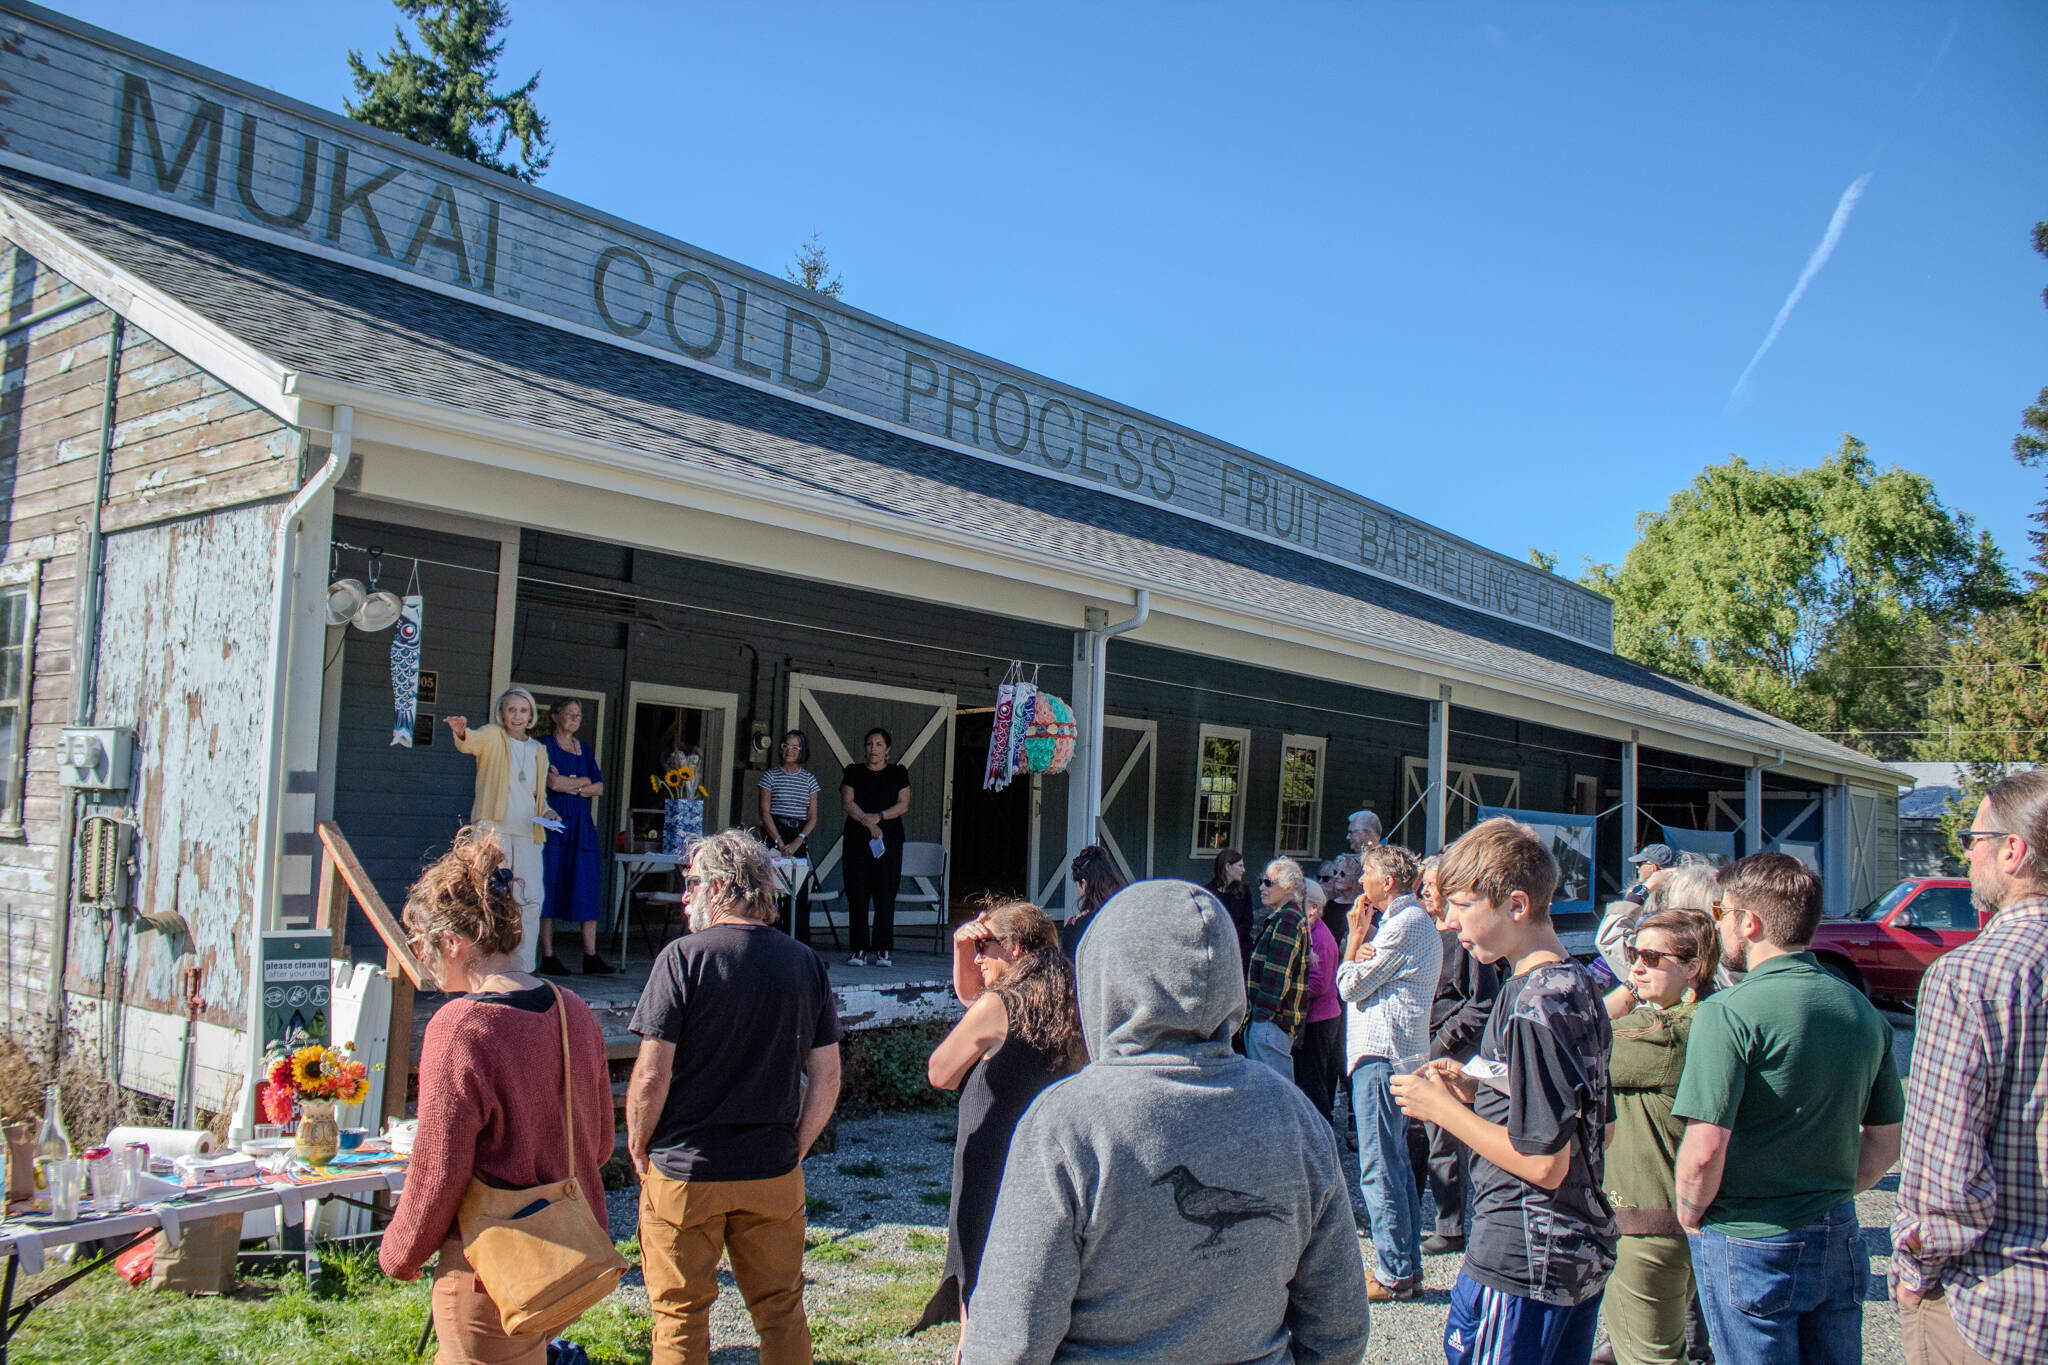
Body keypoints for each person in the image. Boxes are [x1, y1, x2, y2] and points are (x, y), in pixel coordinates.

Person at [959, 880, 1370, 1365]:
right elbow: (1339, 1326)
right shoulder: (1295, 1114)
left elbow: (1012, 1338)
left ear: (1104, 975)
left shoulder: (1066, 1122)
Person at [379, 828, 614, 1365]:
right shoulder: (572, 1008)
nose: (422, 961)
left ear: (455, 942)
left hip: (489, 1271)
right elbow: (599, 1144)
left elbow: (439, 1172)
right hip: (561, 1262)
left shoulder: (460, 1027)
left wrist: (399, 1253)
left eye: (422, 945)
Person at [1391, 817, 1616, 1365]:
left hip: (1522, 1254)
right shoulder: (1579, 984)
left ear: (1516, 905)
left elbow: (1544, 1163)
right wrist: (1475, 1093)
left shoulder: (1532, 1003)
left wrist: (1441, 1109)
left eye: (1462, 905)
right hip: (1572, 1250)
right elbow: (1597, 1127)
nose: (1448, 922)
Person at [1671, 851, 1903, 1365]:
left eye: (1721, 914)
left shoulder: (1727, 1013)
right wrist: (1833, 1188)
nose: (1718, 927)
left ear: (1748, 922)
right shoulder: (1859, 1009)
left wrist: (1689, 1214)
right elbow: (1886, 1141)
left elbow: (1705, 1149)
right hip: (1837, 1228)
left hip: (1749, 1234)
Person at [625, 829, 844, 1365]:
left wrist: (638, 1144)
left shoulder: (681, 959)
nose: (684, 895)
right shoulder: (804, 963)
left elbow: (652, 1076)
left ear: (720, 886)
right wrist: (797, 1146)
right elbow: (828, 1077)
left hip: (685, 1169)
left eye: (691, 882)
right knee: (781, 1310)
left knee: (679, 1316)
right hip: (771, 1168)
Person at [1892, 772, 2048, 1365]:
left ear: (2013, 851)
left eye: (1972, 837)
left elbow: (1944, 1173)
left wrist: (1913, 1268)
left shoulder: (1968, 976)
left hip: (1994, 1301)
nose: (1966, 852)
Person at [916, 902, 1086, 1342]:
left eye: (982, 945)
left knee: (978, 1288)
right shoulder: (1071, 998)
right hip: (1052, 1158)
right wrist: (960, 946)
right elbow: (972, 994)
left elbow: (941, 1073)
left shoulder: (999, 1007)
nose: (976, 957)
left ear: (1012, 948)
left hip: (991, 1159)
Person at [1598, 908, 1719, 1365]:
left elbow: (1568, 1040)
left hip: (1645, 1225)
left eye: (1651, 956)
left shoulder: (1664, 1032)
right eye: (1633, 953)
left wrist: (1626, 994)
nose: (1636, 966)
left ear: (1693, 967)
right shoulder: (1706, 1018)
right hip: (1677, 1220)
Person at [1337, 842, 1442, 1303]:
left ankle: (1394, 1273)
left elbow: (1348, 985)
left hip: (1382, 1056)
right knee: (1395, 1165)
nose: (1361, 881)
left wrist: (1355, 940)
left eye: (1367, 874)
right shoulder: (1407, 923)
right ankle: (1405, 1266)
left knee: (1379, 1167)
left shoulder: (1401, 925)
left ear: (1389, 882)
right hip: (1396, 1054)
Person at [1415, 852, 1503, 1258]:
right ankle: (1414, 1214)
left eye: (1434, 885)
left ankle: (1450, 1227)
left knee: (1444, 1139)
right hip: (1417, 1042)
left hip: (1451, 1050)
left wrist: (1444, 1042)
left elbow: (1482, 1001)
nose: (1427, 891)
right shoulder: (1422, 932)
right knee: (1414, 1134)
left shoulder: (1465, 941)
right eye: (1425, 885)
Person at [445, 687, 555, 972]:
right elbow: (472, 742)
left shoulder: (538, 750)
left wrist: (548, 812)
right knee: (492, 896)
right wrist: (461, 730)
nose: (517, 716)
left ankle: (523, 967)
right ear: (502, 713)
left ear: (531, 715)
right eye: (511, 710)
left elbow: (536, 795)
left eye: (523, 710)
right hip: (494, 829)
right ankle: (489, 963)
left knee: (530, 898)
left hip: (528, 832)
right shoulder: (493, 736)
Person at [537, 697, 613, 977]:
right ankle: (548, 954)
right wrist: (581, 782)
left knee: (586, 883)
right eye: (568, 713)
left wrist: (575, 786)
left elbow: (600, 787)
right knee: (551, 883)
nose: (574, 718)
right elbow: (552, 783)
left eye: (578, 714)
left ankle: (590, 955)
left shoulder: (586, 749)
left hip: (582, 824)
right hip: (554, 822)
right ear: (555, 716)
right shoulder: (544, 746)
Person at [839, 727, 910, 967]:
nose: (873, 749)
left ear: (887, 750)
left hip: (889, 838)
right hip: (857, 839)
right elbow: (848, 802)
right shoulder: (854, 772)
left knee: (885, 893)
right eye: (870, 744)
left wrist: (879, 817)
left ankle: (883, 949)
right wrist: (868, 823)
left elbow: (903, 805)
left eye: (879, 744)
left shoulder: (898, 773)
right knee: (857, 892)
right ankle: (859, 948)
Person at [1243, 858, 1312, 1082]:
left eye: (1268, 883)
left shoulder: (1288, 920)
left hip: (1272, 1024)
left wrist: (1262, 1014)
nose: (1261, 888)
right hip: (1270, 1023)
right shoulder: (1282, 918)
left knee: (1274, 1093)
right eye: (1261, 882)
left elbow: (1278, 974)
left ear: (1289, 887)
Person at [757, 729, 821, 943]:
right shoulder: (770, 776)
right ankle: (771, 942)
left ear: (802, 751)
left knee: (798, 894)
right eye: (785, 745)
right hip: (774, 832)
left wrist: (798, 841)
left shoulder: (809, 780)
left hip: (798, 836)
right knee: (772, 892)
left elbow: (812, 816)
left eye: (795, 747)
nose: (789, 751)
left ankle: (799, 945)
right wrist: (779, 841)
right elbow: (764, 812)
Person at [1291, 879, 1347, 1126]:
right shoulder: (1309, 931)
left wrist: (1288, 986)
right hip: (1315, 1017)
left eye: (1297, 903)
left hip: (1320, 1019)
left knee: (1314, 1082)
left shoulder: (1321, 937)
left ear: (1312, 908)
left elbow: (1319, 985)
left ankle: (1321, 1131)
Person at [1058, 844, 1127, 962]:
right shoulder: (1126, 915)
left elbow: (1069, 972)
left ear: (1084, 884)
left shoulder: (1076, 927)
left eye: (1077, 886)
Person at [1206, 848, 1255, 972]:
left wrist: (1231, 939)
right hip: (1215, 952)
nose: (1243, 870)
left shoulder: (1244, 892)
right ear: (1228, 866)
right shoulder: (1207, 893)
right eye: (1240, 866)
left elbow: (1247, 922)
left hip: (1239, 951)